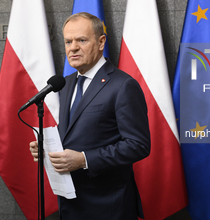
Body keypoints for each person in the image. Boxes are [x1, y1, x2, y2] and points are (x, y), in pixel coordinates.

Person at [29, 12, 151, 220]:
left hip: (107, 206)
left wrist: (84, 159)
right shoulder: (65, 83)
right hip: (71, 203)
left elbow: (138, 145)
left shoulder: (123, 85)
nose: (73, 47)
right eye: (68, 41)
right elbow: (77, 132)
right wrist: (47, 147)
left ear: (101, 41)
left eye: (81, 40)